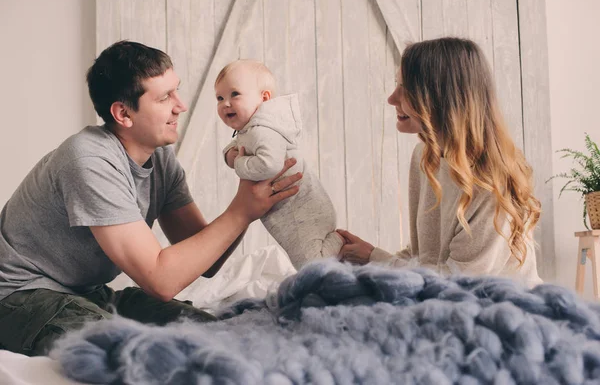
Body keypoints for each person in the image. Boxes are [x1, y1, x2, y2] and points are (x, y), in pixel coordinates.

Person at [0, 41, 301, 356]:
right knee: (148, 353)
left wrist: (249, 195)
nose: (180, 106)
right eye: (164, 97)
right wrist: (241, 211)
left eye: (176, 91)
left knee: (217, 334)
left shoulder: (160, 159)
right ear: (123, 113)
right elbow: (161, 279)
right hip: (19, 297)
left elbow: (207, 260)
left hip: (88, 294)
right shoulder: (88, 158)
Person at [338, 37, 543, 288]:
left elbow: (458, 282)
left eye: (406, 89)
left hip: (507, 310)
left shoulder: (490, 181)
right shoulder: (424, 156)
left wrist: (375, 259)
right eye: (397, 85)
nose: (392, 99)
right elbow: (425, 258)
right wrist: (370, 257)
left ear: (441, 96)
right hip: (451, 304)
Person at [215, 60, 344, 269]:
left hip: (302, 211)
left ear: (264, 98)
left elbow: (269, 165)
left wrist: (238, 162)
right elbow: (238, 144)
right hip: (295, 210)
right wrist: (231, 155)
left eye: (234, 94)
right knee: (305, 262)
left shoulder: (263, 131)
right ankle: (334, 255)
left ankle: (339, 243)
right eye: (220, 98)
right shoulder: (252, 129)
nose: (225, 103)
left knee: (310, 265)